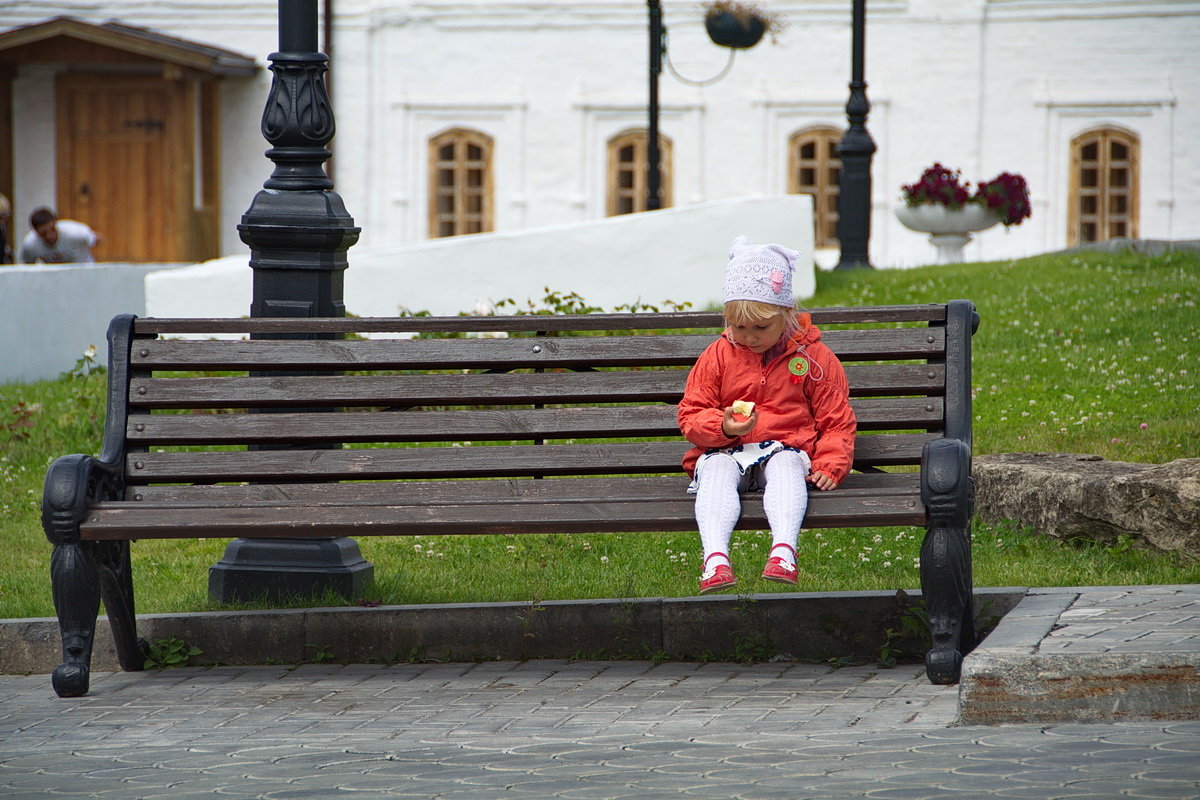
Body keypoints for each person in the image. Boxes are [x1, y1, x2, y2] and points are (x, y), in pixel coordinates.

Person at [677, 235, 857, 594]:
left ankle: (784, 552)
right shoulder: (718, 355)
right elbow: (692, 414)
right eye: (739, 328)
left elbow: (835, 419)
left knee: (788, 466)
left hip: (786, 448)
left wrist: (831, 463)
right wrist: (723, 427)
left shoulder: (813, 358)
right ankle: (715, 560)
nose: (749, 337)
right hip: (726, 450)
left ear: (786, 314)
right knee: (713, 470)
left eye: (760, 328)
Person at [18, 207, 101, 264]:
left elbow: (95, 238)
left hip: (82, 270)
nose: (49, 236)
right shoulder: (30, 244)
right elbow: (28, 265)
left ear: (56, 223)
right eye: (43, 234)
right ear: (36, 232)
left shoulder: (74, 232)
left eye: (52, 230)